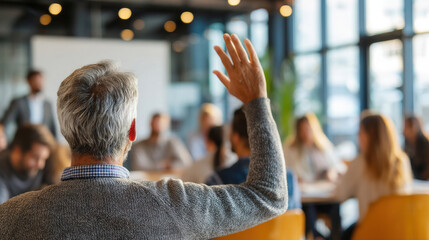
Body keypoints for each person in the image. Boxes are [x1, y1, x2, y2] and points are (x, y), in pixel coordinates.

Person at [0, 34, 288, 239]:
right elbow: (269, 195)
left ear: (65, 130)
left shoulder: (12, 217)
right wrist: (256, 101)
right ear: (132, 131)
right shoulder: (177, 204)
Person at [334, 114, 413, 240]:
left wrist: (342, 180)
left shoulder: (360, 163)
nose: (358, 137)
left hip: (368, 233)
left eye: (360, 132)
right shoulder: (402, 162)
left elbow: (340, 195)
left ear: (368, 136)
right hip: (398, 232)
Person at [0, 124, 55, 204]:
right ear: (17, 151)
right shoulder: (2, 171)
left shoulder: (42, 166)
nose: (41, 165)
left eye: (44, 159)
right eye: (35, 157)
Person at [284, 113, 345, 182]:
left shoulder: (324, 146)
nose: (305, 132)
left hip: (324, 186)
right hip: (303, 188)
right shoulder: (291, 149)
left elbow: (339, 166)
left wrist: (332, 171)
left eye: (307, 128)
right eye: (302, 129)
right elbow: (287, 170)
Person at [0, 70, 57, 140]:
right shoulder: (19, 102)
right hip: (24, 142)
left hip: (43, 142)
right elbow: (5, 122)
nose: (39, 83)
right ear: (29, 82)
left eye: (41, 80)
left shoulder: (48, 104)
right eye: (36, 80)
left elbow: (52, 127)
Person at [403, 115, 429, 180]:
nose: (403, 130)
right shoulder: (407, 143)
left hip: (423, 183)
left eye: (406, 127)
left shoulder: (425, 143)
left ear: (414, 127)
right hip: (414, 180)